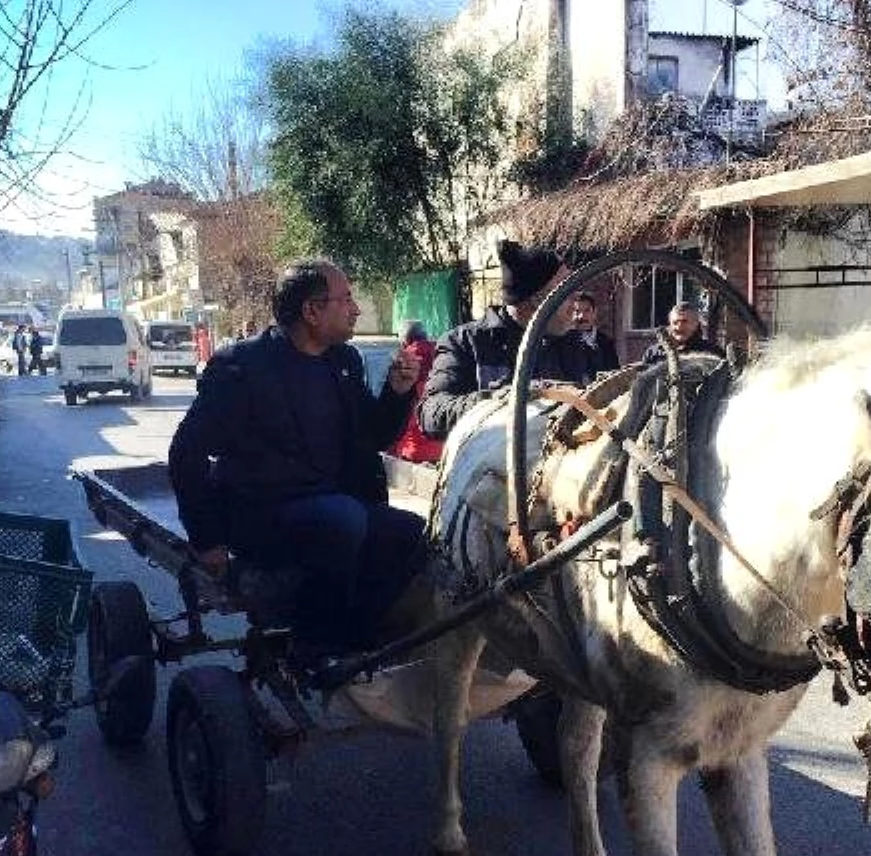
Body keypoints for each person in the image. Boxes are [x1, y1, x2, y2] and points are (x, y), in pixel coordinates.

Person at [168, 258, 426, 660]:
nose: (355, 309)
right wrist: (206, 540)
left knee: (413, 534)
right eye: (345, 299)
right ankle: (313, 641)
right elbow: (187, 452)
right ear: (311, 311)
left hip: (333, 507)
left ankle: (362, 631)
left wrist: (396, 392)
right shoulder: (241, 368)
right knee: (343, 519)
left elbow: (372, 436)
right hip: (260, 514)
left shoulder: (343, 362)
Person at [419, 238, 590, 441]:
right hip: (489, 469)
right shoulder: (465, 342)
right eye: (565, 290)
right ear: (537, 301)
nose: (576, 301)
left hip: (557, 468)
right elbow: (430, 415)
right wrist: (499, 400)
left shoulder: (572, 343)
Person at [389, 319, 441, 464]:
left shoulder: (404, 363)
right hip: (443, 449)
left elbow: (398, 410)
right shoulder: (444, 357)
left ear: (404, 341)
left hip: (412, 450)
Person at [640, 300, 722, 366]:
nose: (679, 327)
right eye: (675, 323)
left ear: (696, 323)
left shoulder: (712, 351)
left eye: (684, 322)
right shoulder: (654, 353)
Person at [570, 291, 620, 379]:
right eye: (577, 311)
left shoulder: (606, 342)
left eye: (587, 311)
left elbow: (615, 374)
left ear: (594, 312)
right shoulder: (566, 343)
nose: (581, 316)